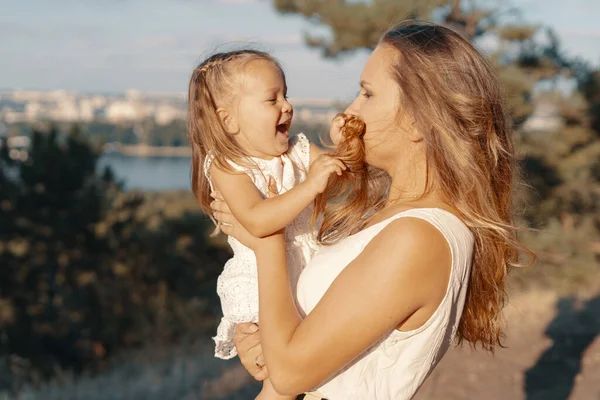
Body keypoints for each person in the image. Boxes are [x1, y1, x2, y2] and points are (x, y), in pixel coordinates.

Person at [210, 21, 533, 400]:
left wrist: (267, 242)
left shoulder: (418, 237)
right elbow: (302, 351)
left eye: (367, 94)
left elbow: (292, 373)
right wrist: (267, 342)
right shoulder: (388, 217)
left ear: (417, 119)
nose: (351, 109)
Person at [187, 49, 349, 400]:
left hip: (307, 270)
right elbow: (258, 221)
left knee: (314, 368)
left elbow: (339, 177)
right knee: (280, 383)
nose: (287, 106)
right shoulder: (228, 167)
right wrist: (310, 186)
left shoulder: (296, 151)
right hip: (263, 283)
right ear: (229, 120)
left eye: (286, 94)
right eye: (272, 99)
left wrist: (343, 148)